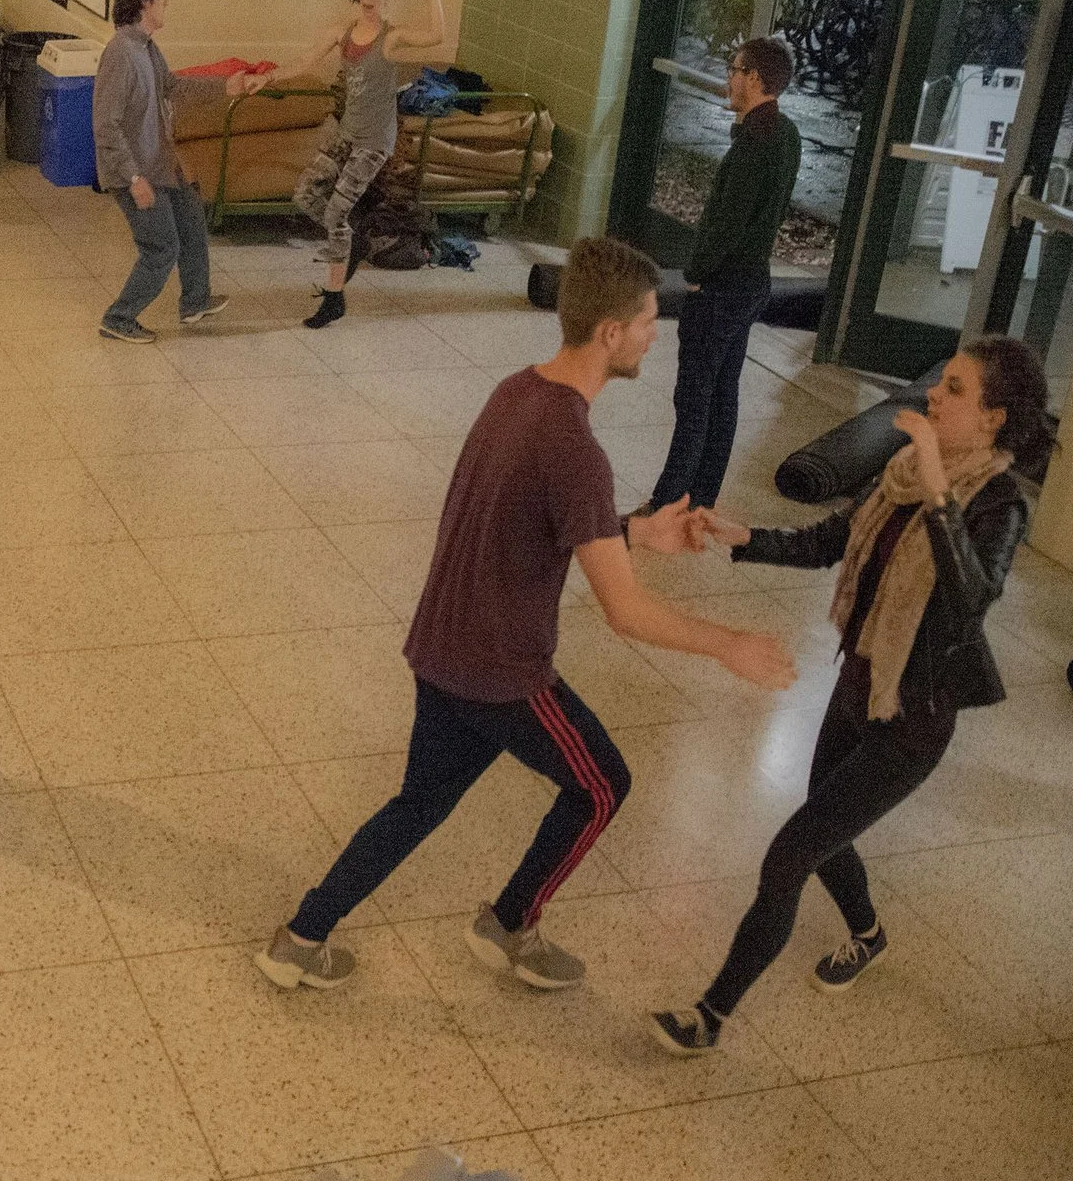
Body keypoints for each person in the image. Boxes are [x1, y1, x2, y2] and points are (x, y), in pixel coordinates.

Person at [254, 237, 796, 995]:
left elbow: (536, 519)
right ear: (611, 333)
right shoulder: (574, 446)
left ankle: (301, 936)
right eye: (646, 321)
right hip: (499, 671)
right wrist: (728, 643)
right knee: (602, 785)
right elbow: (626, 613)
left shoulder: (518, 391)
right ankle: (510, 925)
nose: (654, 333)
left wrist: (637, 532)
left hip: (441, 647)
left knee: (420, 802)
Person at [652, 337, 1045, 1055]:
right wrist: (744, 537)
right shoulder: (899, 471)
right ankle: (869, 935)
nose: (933, 394)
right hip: (856, 683)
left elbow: (970, 601)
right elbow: (834, 540)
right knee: (827, 833)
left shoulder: (999, 507)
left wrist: (937, 490)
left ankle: (708, 1018)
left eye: (954, 389)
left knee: (789, 856)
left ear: (993, 418)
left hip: (911, 721)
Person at [243, 0, 450, 330]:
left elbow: (437, 35)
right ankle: (350, 241)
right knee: (305, 194)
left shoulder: (391, 37)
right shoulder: (342, 32)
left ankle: (335, 299)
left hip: (375, 141)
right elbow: (304, 62)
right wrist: (267, 78)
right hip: (346, 132)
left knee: (337, 214)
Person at [642, 35, 803, 513]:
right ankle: (702, 498)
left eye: (735, 70)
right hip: (754, 282)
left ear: (755, 78)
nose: (729, 79)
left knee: (693, 400)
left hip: (723, 287)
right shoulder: (788, 133)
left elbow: (726, 223)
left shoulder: (754, 144)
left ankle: (668, 502)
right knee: (722, 395)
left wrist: (695, 274)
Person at [93, 0, 249, 344]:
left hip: (159, 165)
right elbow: (105, 126)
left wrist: (223, 87)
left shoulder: (146, 47)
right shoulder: (120, 53)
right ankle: (118, 317)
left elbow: (172, 88)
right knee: (161, 246)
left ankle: (195, 300)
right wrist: (134, 179)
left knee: (192, 219)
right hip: (133, 173)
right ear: (145, 2)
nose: (166, 2)